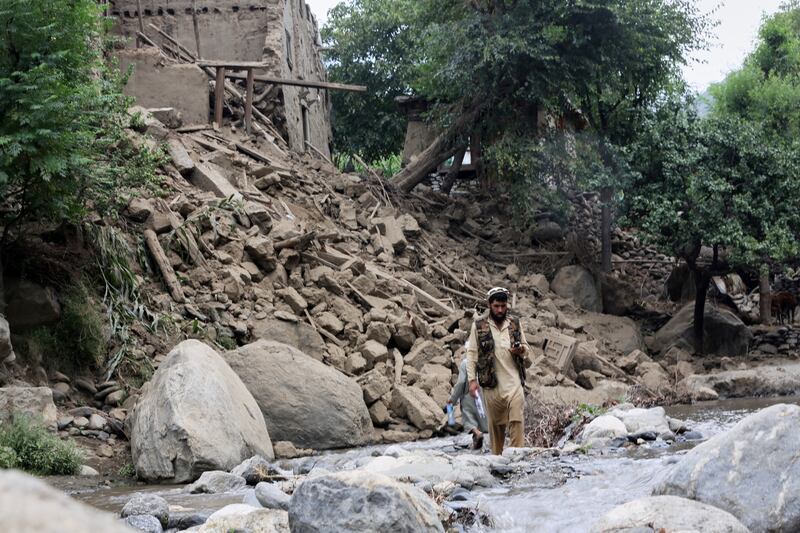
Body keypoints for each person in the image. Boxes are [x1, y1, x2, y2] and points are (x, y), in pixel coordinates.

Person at [466, 287, 530, 455]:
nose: (500, 310)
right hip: (491, 385)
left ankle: (517, 457)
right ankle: (497, 459)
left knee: (516, 418)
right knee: (496, 428)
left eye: (503, 306)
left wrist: (520, 350)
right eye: (496, 306)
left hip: (514, 382)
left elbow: (527, 349)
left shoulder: (515, 324)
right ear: (489, 305)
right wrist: (472, 381)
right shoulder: (478, 326)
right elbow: (472, 353)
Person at [447, 354, 488, 450]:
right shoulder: (484, 361)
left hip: (469, 394)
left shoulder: (465, 363)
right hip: (484, 394)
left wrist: (453, 399)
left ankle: (477, 434)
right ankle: (478, 441)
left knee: (469, 418)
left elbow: (461, 383)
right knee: (481, 418)